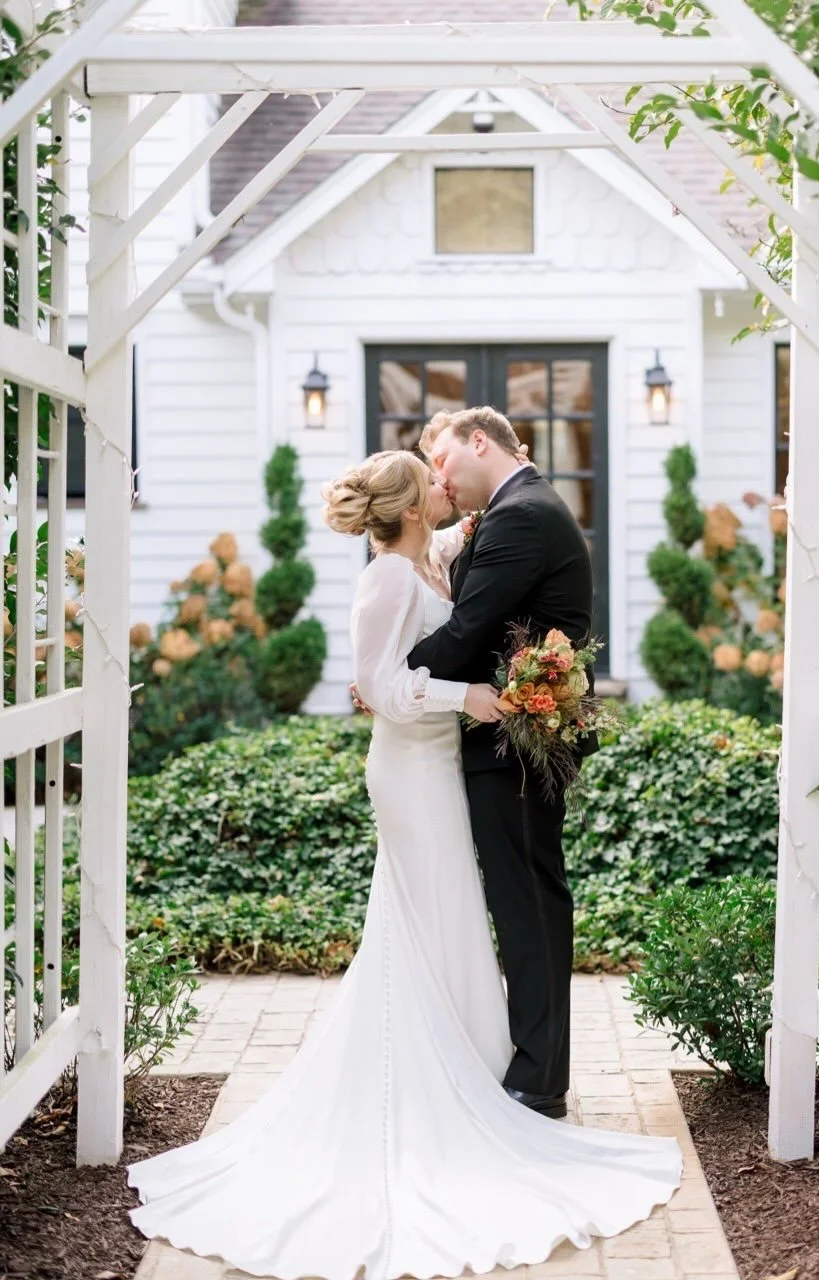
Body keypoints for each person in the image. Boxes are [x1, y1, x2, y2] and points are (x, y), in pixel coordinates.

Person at [126, 448, 681, 1280]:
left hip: (436, 767)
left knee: (448, 917)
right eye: (433, 482)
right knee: (432, 918)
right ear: (412, 506)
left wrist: (500, 486)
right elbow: (378, 685)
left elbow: (462, 546)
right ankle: (432, 1084)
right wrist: (468, 696)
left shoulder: (426, 558)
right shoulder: (386, 578)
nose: (445, 487)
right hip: (410, 768)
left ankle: (468, 1068)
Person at [406, 406, 596, 1120]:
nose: (441, 480)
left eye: (443, 461)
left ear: (478, 441)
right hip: (512, 738)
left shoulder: (522, 514)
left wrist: (391, 680)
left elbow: (466, 632)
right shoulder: (521, 508)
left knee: (528, 903)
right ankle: (535, 1065)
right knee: (526, 897)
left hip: (517, 741)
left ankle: (539, 1079)